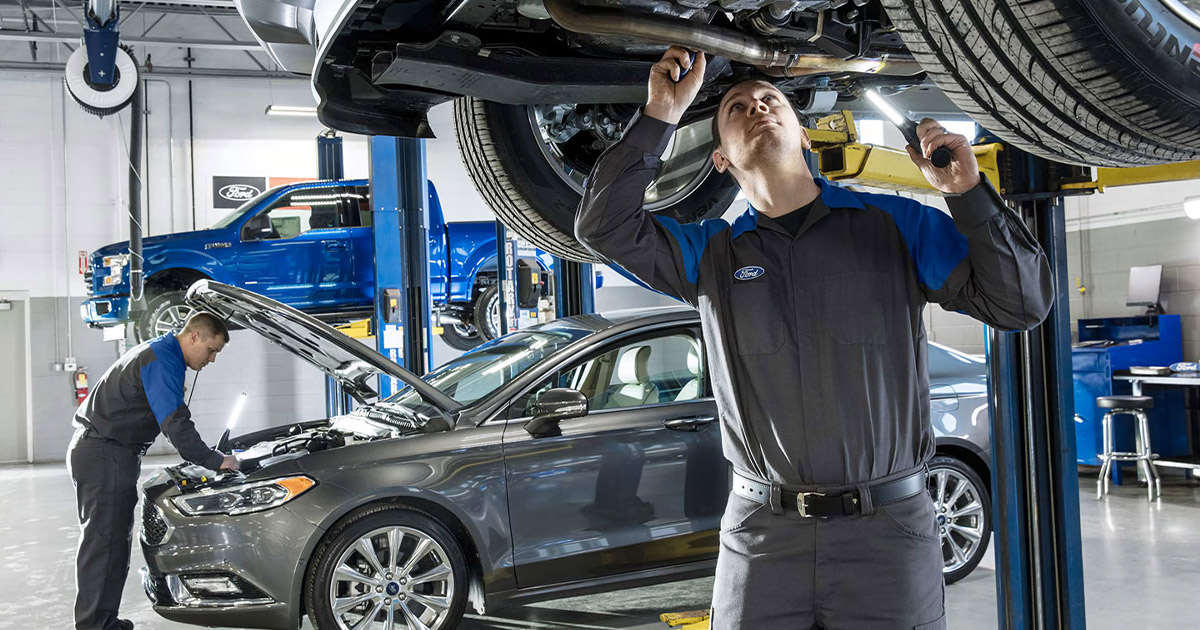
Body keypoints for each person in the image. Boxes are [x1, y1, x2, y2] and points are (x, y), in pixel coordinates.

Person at [576, 47, 1053, 630]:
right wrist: (660, 114)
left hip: (889, 534)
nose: (758, 107)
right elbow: (603, 225)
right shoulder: (711, 255)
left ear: (804, 136)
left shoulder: (895, 225)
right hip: (762, 538)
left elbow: (1020, 304)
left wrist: (968, 193)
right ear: (720, 159)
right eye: (736, 107)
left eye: (771, 100)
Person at [68, 312, 239, 630]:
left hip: (109, 451)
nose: (212, 359)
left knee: (112, 543)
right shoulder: (162, 358)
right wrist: (215, 460)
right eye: (211, 350)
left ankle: (103, 621)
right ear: (193, 337)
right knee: (103, 544)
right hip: (104, 451)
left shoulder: (162, 351)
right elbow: (175, 421)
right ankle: (94, 625)